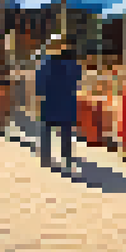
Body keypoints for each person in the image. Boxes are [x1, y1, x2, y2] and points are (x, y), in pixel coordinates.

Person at [35, 34, 82, 173]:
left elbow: (40, 83)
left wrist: (40, 94)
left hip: (51, 100)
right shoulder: (71, 62)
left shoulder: (45, 62)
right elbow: (76, 80)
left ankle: (46, 158)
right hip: (65, 101)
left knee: (47, 129)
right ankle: (66, 161)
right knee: (65, 131)